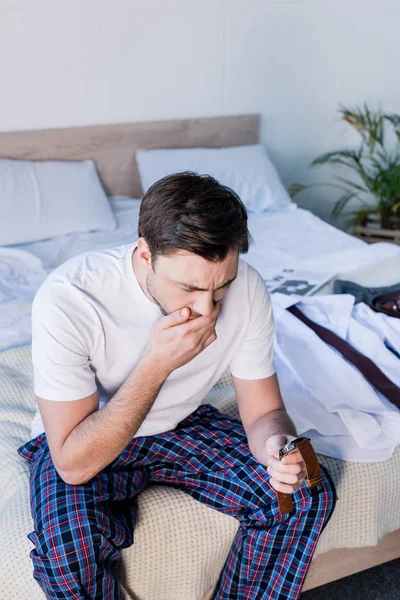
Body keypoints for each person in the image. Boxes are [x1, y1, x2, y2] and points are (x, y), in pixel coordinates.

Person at [18, 172, 336, 600]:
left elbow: (263, 413)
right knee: (66, 555)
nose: (207, 308)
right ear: (145, 253)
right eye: (188, 287)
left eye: (220, 287)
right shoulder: (70, 298)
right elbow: (73, 463)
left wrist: (277, 447)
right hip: (86, 436)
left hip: (180, 426)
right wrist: (156, 365)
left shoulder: (249, 287)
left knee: (304, 494)